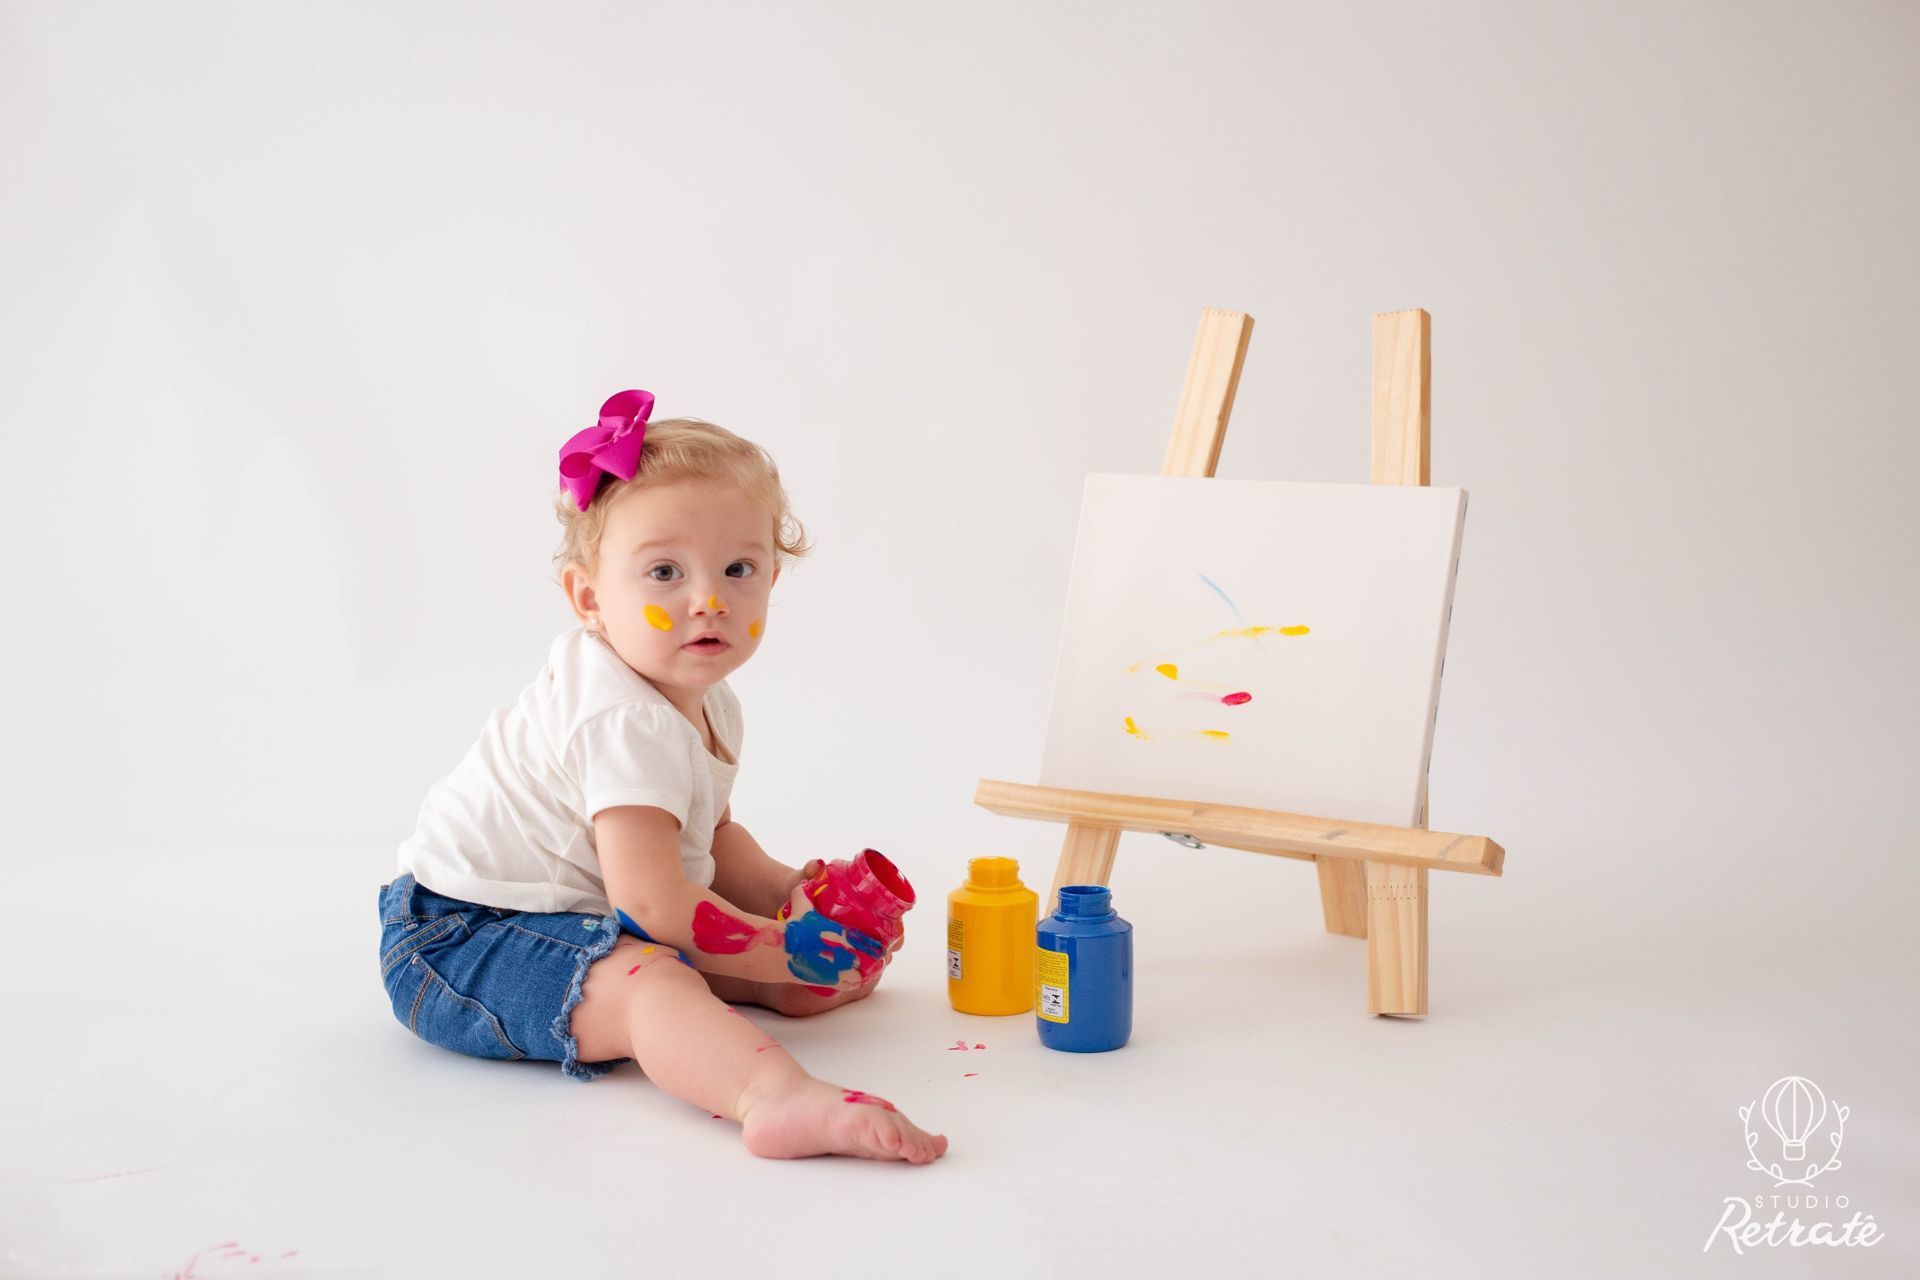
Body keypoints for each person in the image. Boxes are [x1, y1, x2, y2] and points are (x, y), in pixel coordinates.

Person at [376, 389, 948, 1164]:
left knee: (712, 962)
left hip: (565, 919)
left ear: (773, 581)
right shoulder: (623, 717)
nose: (707, 599)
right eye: (665, 572)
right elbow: (650, 902)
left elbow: (708, 841)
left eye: (738, 568)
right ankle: (770, 1096)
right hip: (457, 942)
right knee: (653, 980)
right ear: (589, 597)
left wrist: (787, 902)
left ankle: (758, 995)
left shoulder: (706, 702)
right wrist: (785, 949)